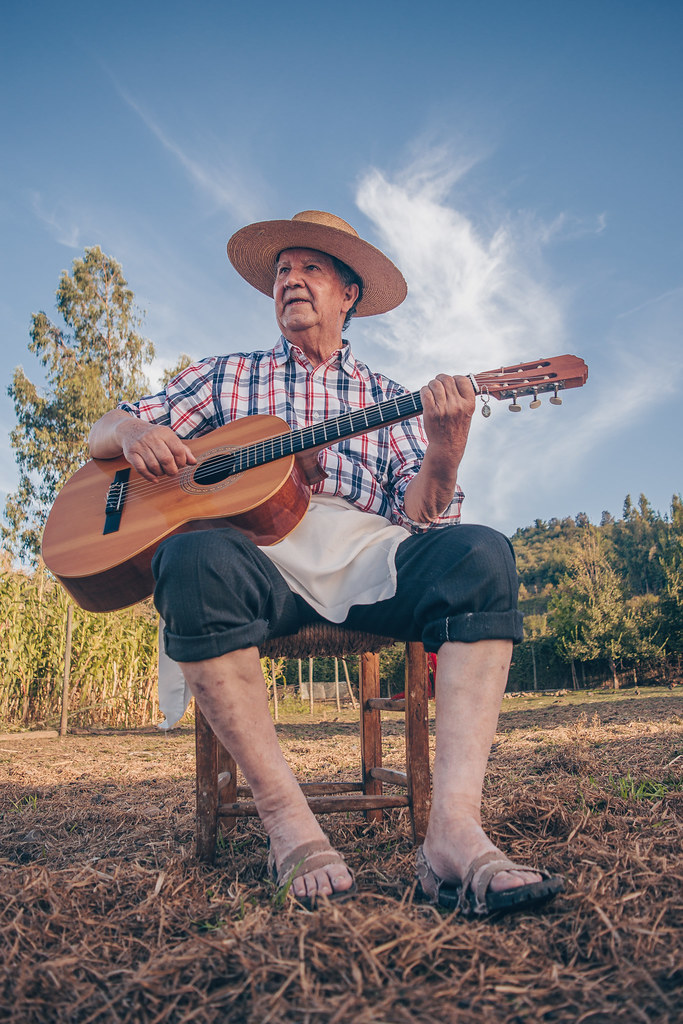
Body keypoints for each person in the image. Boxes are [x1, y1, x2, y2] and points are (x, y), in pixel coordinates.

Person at [88, 210, 563, 915]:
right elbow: (103, 429)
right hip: (253, 562)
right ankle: (288, 820)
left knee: (481, 554)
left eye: (309, 268)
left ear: (348, 294)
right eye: (282, 270)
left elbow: (422, 514)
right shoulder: (222, 376)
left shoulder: (382, 393)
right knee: (188, 557)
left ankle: (453, 833)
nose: (290, 279)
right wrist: (132, 432)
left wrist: (445, 447)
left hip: (365, 555)